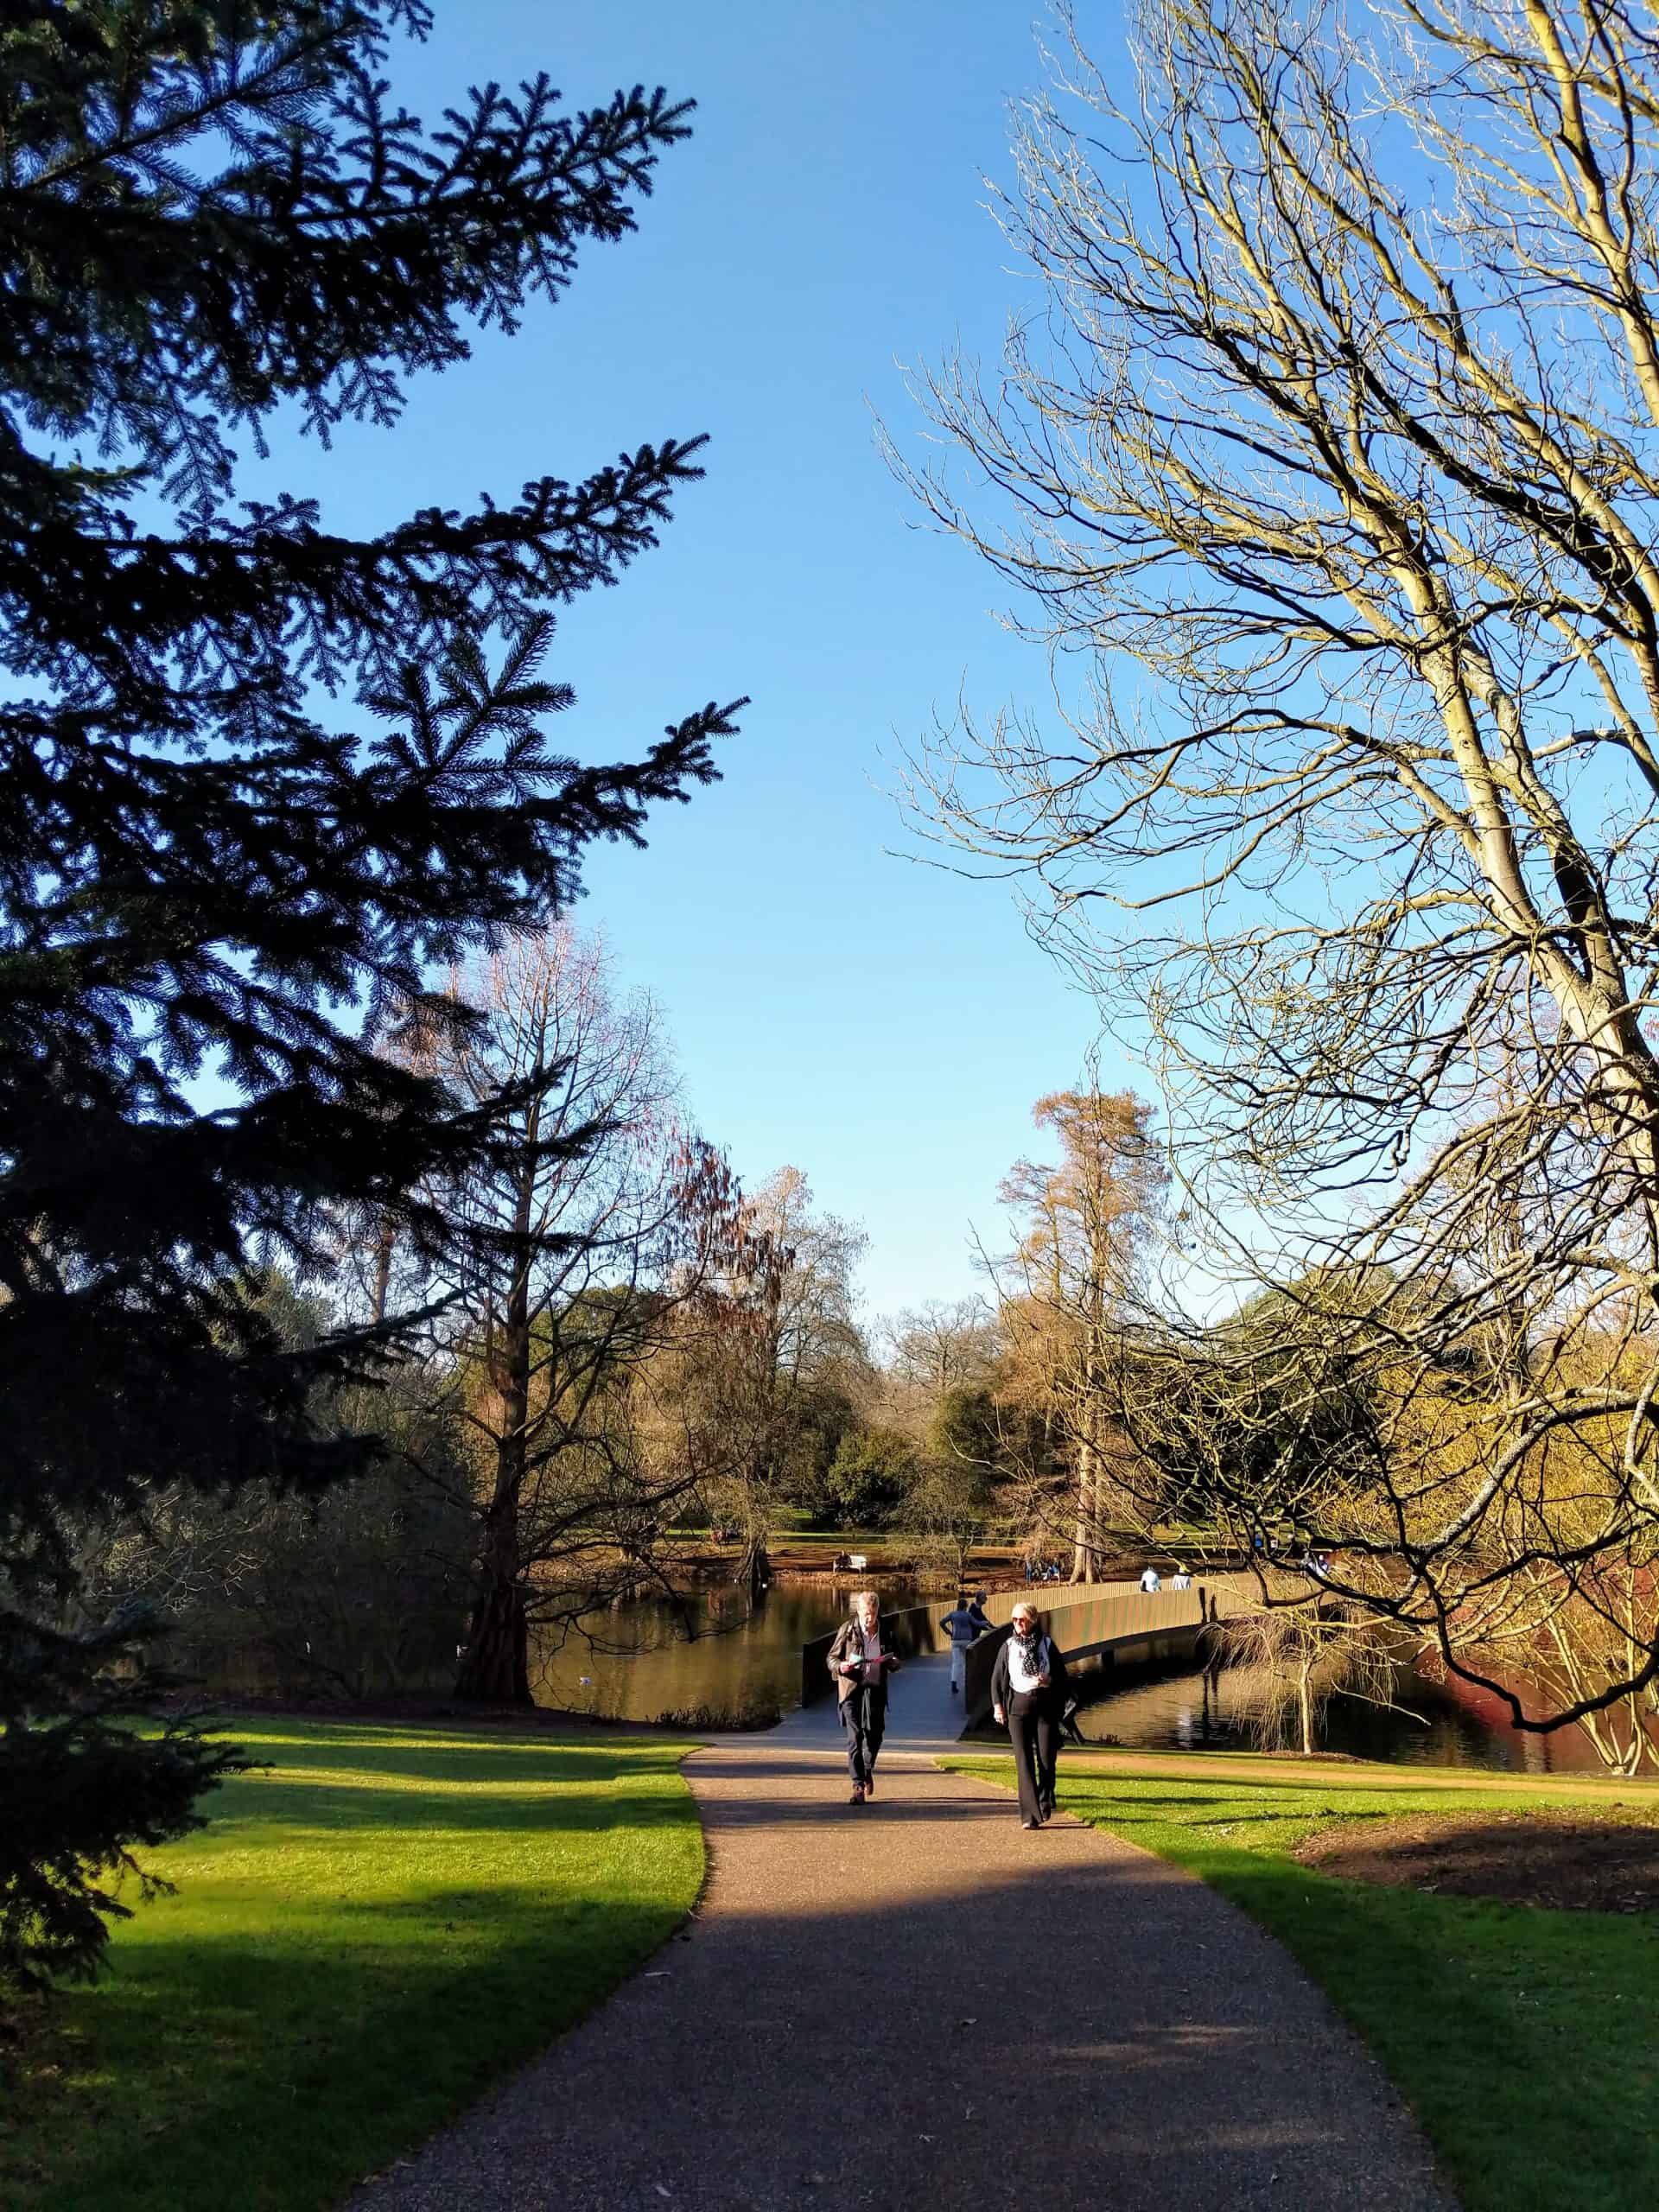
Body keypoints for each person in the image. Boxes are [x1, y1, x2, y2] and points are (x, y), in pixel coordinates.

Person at [991, 1601, 1070, 1828]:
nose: (1018, 1624)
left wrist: (1049, 1680)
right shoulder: (1008, 1646)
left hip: (1045, 1707)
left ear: (1032, 1620)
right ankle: (1029, 1816)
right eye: (1014, 1620)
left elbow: (1062, 1678)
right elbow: (996, 1679)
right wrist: (998, 1707)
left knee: (1046, 1758)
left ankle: (1045, 1800)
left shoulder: (1046, 1644)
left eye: (1022, 1620)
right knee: (1023, 1762)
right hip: (1018, 1709)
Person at [826, 1590, 900, 1804]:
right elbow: (831, 1658)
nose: (870, 1619)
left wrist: (892, 1662)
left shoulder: (885, 1629)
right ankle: (857, 1785)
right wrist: (841, 1666)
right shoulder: (848, 1629)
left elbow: (896, 1656)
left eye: (874, 1614)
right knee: (855, 1736)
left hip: (875, 1685)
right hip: (851, 1687)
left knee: (876, 1735)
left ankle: (867, 1769)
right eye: (867, 1614)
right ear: (858, 1611)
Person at [938, 1592, 982, 1695]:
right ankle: (967, 1683)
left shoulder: (952, 1614)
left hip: (955, 1640)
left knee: (955, 1663)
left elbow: (941, 1622)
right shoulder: (967, 1615)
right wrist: (984, 1623)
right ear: (965, 1606)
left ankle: (954, 1683)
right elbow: (977, 1623)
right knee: (966, 1661)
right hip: (966, 1640)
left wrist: (948, 1631)